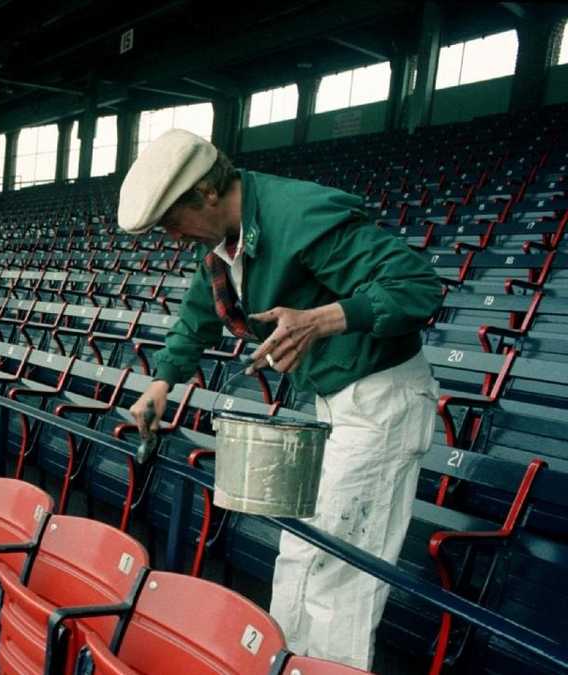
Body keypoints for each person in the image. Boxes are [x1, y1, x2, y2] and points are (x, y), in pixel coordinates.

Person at [120, 129, 442, 670]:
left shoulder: (299, 214)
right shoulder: (225, 245)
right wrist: (161, 383)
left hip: (382, 399)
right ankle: (283, 664)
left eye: (172, 220)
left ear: (206, 192)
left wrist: (320, 320)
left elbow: (417, 287)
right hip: (333, 400)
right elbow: (197, 317)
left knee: (341, 569)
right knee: (299, 548)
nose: (172, 236)